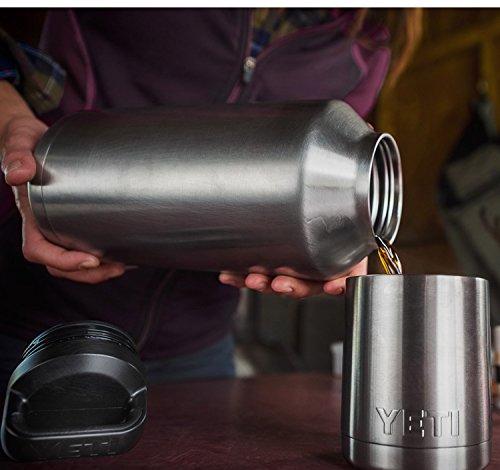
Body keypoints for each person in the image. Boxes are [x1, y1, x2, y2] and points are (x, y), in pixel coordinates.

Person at [0, 8, 422, 389]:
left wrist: (329, 253)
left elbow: (352, 176)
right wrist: (10, 121)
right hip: (31, 323)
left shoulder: (366, 40)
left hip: (197, 348)